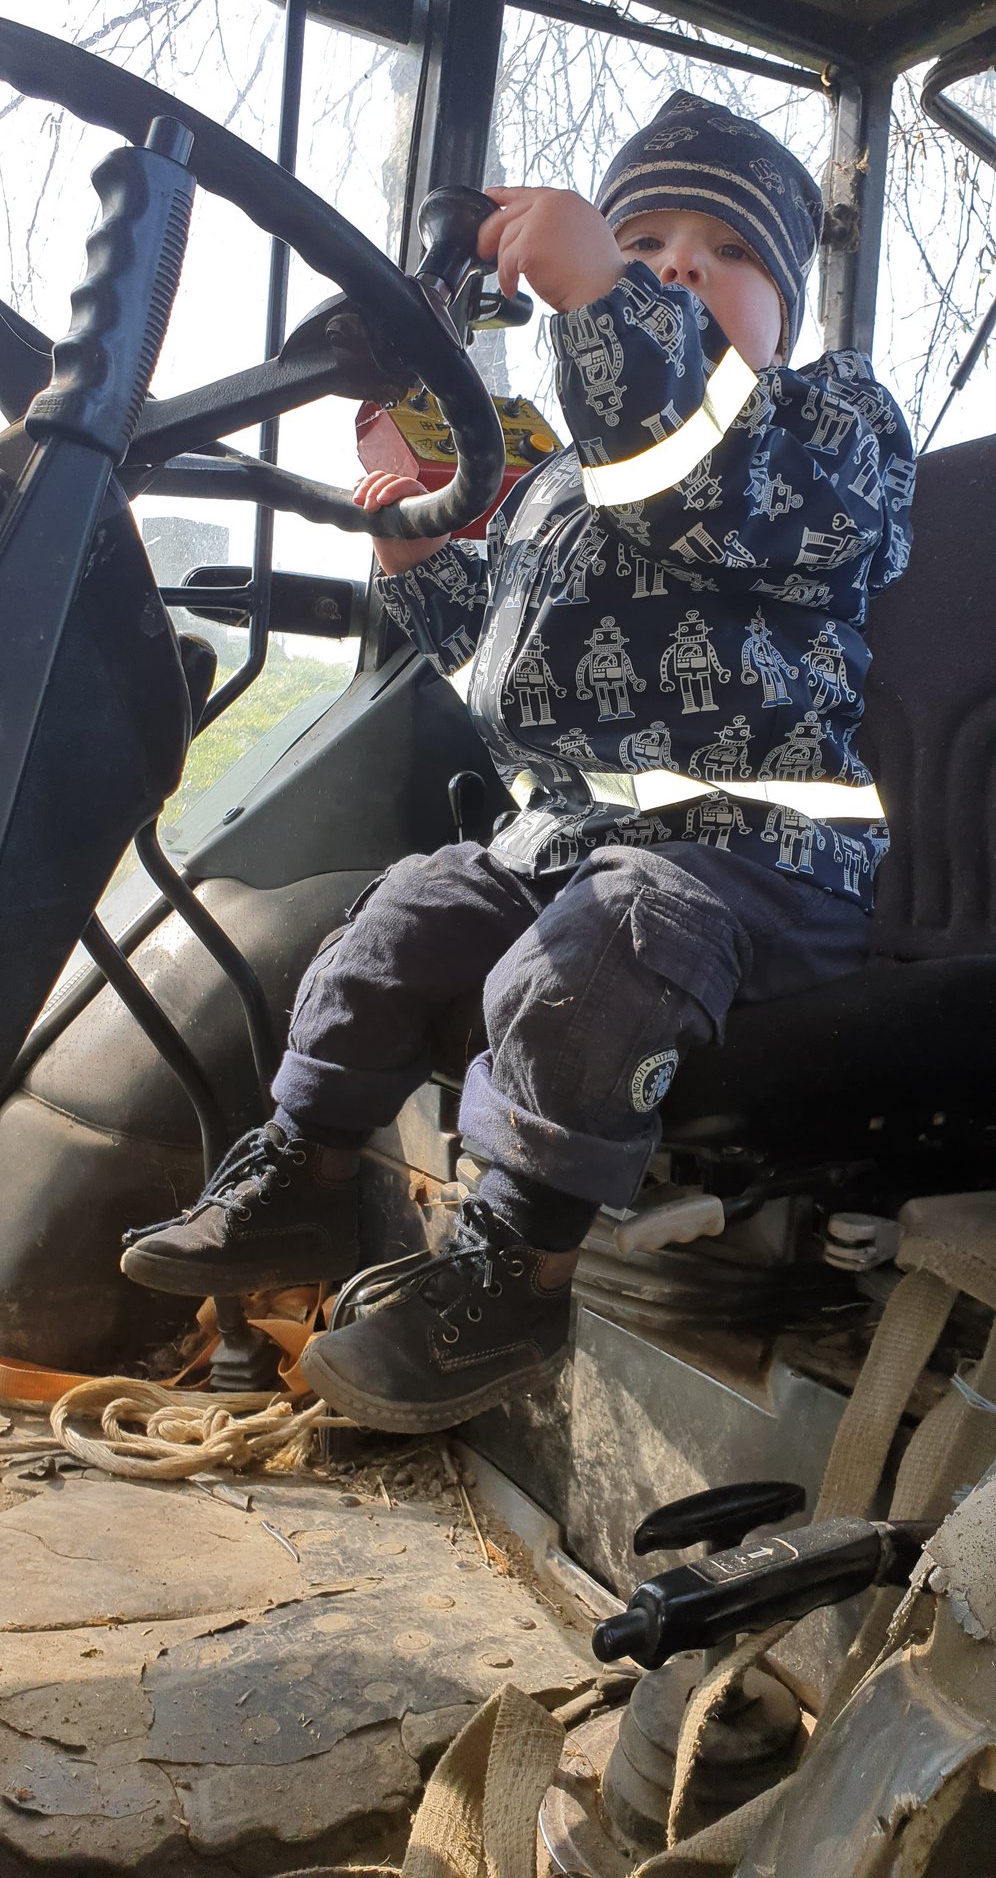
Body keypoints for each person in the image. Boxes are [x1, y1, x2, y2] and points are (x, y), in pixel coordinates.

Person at [122, 94, 915, 1433]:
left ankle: (517, 1274)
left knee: (598, 948)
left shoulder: (829, 429)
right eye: (643, 239)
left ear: (785, 313)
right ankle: (305, 1177)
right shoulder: (563, 482)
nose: (675, 266)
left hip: (758, 861)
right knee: (405, 912)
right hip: (573, 841)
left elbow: (704, 490)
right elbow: (510, 671)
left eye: (725, 252)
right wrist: (423, 565)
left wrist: (605, 297)